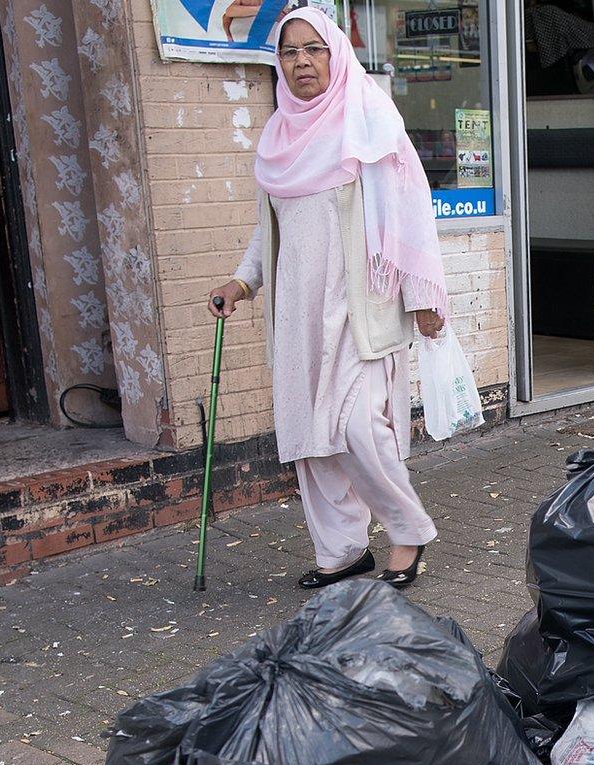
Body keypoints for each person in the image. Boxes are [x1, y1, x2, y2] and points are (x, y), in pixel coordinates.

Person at [208, 4, 445, 590]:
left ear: (336, 54)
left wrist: (421, 294)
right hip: (297, 314)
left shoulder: (367, 121)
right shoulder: (277, 137)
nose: (302, 62)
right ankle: (341, 552)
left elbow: (409, 213)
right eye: (290, 52)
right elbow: (271, 229)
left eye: (314, 49)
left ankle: (408, 533)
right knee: (309, 440)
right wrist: (242, 282)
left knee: (361, 427)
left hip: (359, 308)